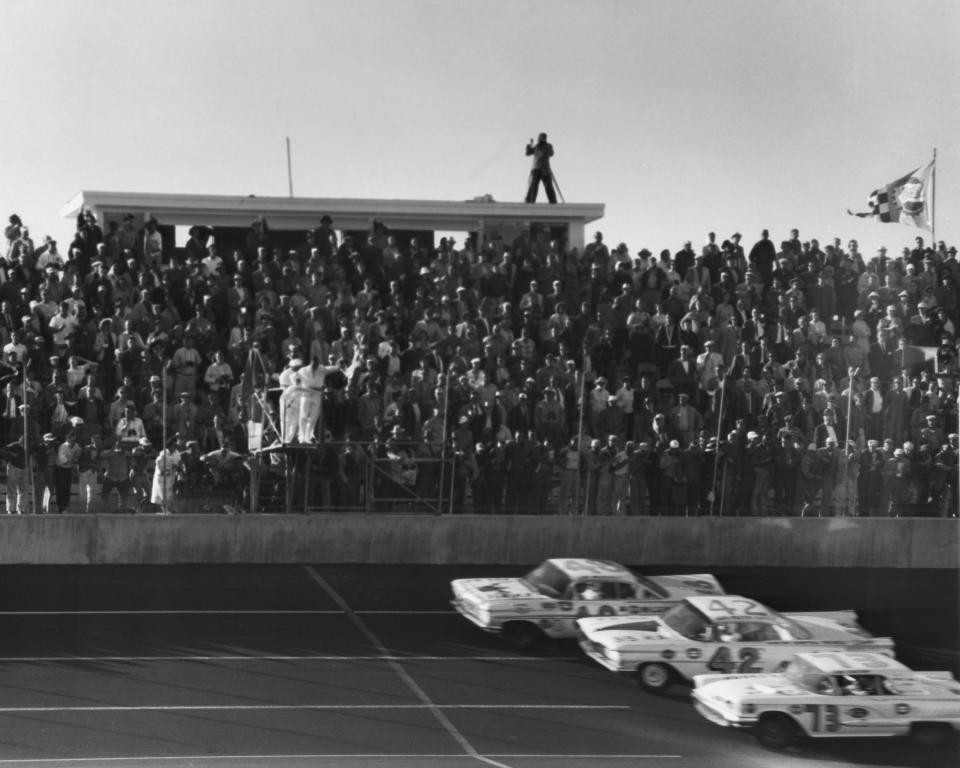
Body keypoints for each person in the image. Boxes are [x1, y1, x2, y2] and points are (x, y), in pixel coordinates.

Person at [524, 132, 557, 204]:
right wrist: (530, 145)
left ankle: (553, 202)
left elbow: (551, 153)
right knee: (533, 185)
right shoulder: (537, 146)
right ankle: (530, 201)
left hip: (545, 169)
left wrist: (540, 147)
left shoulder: (548, 146)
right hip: (537, 168)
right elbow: (527, 153)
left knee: (548, 187)